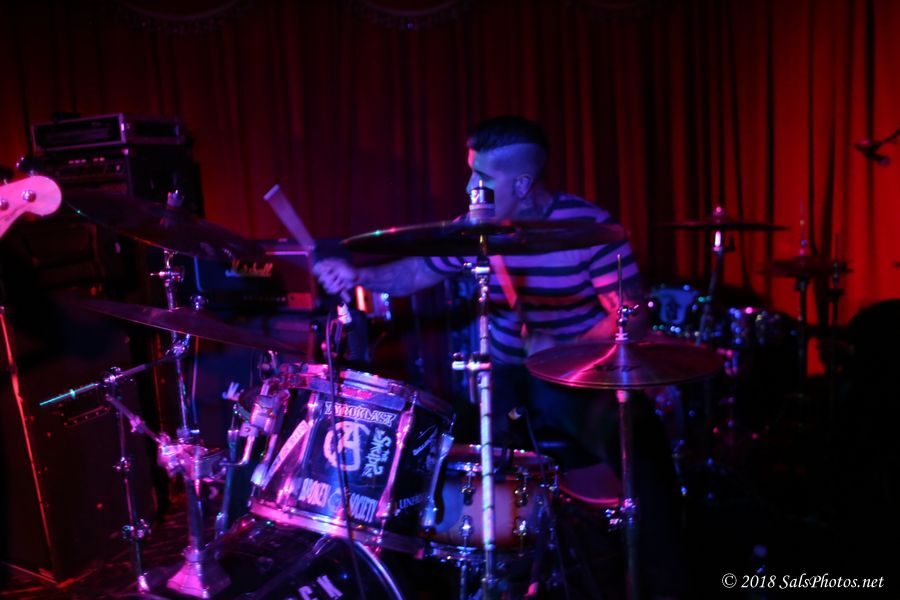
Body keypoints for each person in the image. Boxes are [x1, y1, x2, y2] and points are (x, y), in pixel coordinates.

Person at [314, 116, 685, 598]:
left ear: (523, 185)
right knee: (439, 451)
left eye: (482, 177)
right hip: (509, 378)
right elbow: (415, 272)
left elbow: (631, 316)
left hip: (583, 378)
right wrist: (358, 276)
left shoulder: (589, 227)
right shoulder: (475, 228)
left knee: (644, 449)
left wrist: (569, 351)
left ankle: (666, 582)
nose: (469, 186)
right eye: (471, 171)